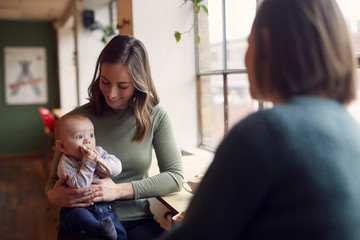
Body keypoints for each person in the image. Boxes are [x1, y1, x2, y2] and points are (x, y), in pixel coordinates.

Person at [159, 0, 360, 239]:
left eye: (248, 43)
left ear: (265, 44)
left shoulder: (265, 132)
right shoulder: (349, 127)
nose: (244, 60)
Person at [45, 35, 183, 240]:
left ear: (139, 82)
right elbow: (52, 183)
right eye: (105, 81)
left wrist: (118, 191)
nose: (111, 93)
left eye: (123, 86)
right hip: (85, 220)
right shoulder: (76, 121)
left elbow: (174, 177)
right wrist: (54, 195)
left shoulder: (155, 116)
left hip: (137, 221)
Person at [54, 112, 126, 240]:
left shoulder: (98, 152)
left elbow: (117, 168)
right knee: (81, 217)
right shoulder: (66, 163)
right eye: (79, 136)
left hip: (103, 208)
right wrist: (89, 163)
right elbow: (80, 185)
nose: (87, 140)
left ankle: (106, 230)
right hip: (76, 208)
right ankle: (98, 229)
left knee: (120, 234)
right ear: (62, 146)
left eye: (91, 135)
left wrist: (99, 161)